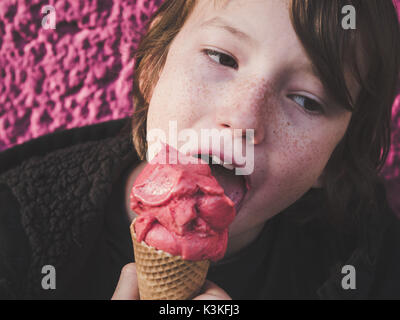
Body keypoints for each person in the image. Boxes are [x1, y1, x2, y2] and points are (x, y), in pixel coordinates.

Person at [1, 0, 400, 300]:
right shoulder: (13, 231)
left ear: (336, 164)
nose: (243, 118)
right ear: (155, 67)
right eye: (222, 57)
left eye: (307, 101)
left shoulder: (371, 269)